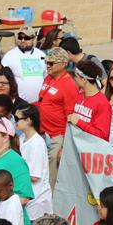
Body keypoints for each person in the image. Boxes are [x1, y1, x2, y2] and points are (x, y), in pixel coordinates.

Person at [35, 47, 78, 188]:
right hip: (43, 133)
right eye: (46, 62)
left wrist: (64, 147)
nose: (47, 66)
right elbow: (43, 101)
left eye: (51, 63)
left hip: (57, 136)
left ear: (64, 64)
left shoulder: (69, 85)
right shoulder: (49, 77)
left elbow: (71, 117)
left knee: (51, 178)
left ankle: (51, 206)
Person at [15, 105, 52, 225]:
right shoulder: (23, 138)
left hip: (36, 201)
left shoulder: (37, 143)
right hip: (28, 199)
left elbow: (34, 176)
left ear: (29, 120)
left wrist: (12, 179)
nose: (15, 121)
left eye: (17, 119)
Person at [67, 60, 112, 142]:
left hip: (91, 150)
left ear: (84, 79)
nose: (74, 79)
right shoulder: (79, 95)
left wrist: (78, 122)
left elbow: (102, 135)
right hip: (76, 145)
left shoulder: (102, 103)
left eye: (76, 77)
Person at [1, 27, 46, 103]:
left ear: (34, 39)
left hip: (40, 102)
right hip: (18, 102)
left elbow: (46, 76)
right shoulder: (9, 56)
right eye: (20, 37)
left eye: (27, 38)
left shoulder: (41, 55)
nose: (23, 40)